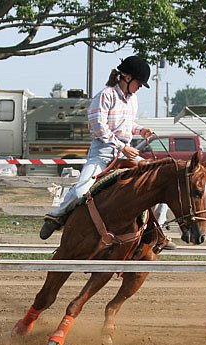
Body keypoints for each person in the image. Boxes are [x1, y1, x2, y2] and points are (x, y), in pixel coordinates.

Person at [39, 56, 157, 240]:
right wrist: (122, 147)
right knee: (80, 191)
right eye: (139, 82)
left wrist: (141, 130)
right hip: (103, 153)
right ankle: (56, 216)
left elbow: (126, 125)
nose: (140, 86)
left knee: (158, 179)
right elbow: (98, 127)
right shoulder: (105, 95)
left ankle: (155, 233)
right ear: (127, 78)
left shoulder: (132, 99)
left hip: (125, 153)